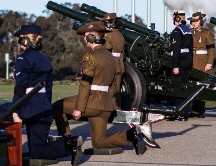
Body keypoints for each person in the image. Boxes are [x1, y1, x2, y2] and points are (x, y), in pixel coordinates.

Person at [0, 25, 82, 166]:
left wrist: (16, 111)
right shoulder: (45, 60)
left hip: (25, 106)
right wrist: (46, 108)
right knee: (38, 151)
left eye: (20, 40)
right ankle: (69, 144)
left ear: (25, 41)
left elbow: (20, 88)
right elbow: (48, 88)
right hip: (42, 107)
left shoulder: (23, 59)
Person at [52, 22, 154, 155]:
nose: (84, 39)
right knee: (98, 142)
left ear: (92, 38)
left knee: (57, 107)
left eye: (86, 36)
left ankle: (67, 143)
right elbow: (113, 84)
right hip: (105, 105)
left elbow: (85, 85)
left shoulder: (90, 57)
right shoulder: (111, 58)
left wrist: (79, 109)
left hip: (92, 102)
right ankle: (131, 135)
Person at [101, 12, 126, 109]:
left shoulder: (108, 35)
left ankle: (111, 109)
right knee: (117, 89)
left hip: (111, 63)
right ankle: (117, 108)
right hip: (119, 63)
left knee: (111, 88)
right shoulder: (120, 34)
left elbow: (107, 47)